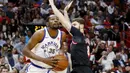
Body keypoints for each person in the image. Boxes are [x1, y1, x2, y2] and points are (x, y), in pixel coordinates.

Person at [49, 0, 93, 73]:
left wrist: (52, 4)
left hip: (81, 69)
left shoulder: (78, 34)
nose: (73, 26)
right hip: (81, 69)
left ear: (81, 26)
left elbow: (63, 22)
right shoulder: (80, 36)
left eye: (75, 25)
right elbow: (67, 26)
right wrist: (65, 12)